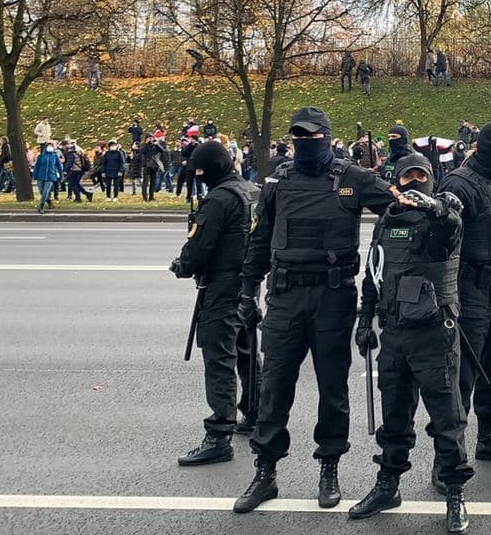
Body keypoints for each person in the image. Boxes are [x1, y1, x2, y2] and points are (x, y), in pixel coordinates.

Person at [232, 107, 407, 514]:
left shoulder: (353, 178)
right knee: (275, 387)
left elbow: (397, 210)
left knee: (333, 389)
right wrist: (246, 289)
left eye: (311, 136)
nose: (304, 142)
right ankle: (266, 471)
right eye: (298, 136)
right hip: (285, 295)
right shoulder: (280, 180)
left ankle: (329, 467)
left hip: (331, 298)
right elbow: (260, 240)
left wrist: (435, 209)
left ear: (327, 137)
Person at [349, 154, 472, 533]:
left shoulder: (442, 216)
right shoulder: (388, 220)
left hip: (435, 332)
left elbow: (450, 229)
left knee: (447, 418)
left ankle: (454, 494)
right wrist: (364, 319)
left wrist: (435, 207)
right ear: (398, 181)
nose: (415, 182)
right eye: (408, 176)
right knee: (395, 414)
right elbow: (373, 273)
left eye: (422, 176)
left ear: (431, 180)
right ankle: (388, 485)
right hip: (395, 333)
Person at [436, 122, 491, 471]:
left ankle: (487, 437)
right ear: (489, 148)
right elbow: (442, 242)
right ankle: (449, 456)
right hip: (469, 288)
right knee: (462, 376)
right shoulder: (460, 183)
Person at [170, 141, 263, 468]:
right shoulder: (252, 191)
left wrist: (182, 265)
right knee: (245, 347)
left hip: (222, 285)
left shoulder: (219, 199)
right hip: (248, 282)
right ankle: (253, 411)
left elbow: (199, 247)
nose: (200, 177)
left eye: (200, 171)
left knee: (219, 352)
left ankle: (219, 433)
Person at [32, 141, 63, 214]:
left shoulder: (54, 156)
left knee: (46, 191)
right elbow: (37, 166)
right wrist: (34, 176)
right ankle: (49, 202)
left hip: (50, 176)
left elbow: (59, 167)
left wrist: (61, 176)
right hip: (41, 176)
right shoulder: (41, 156)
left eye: (51, 146)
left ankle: (41, 206)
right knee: (41, 191)